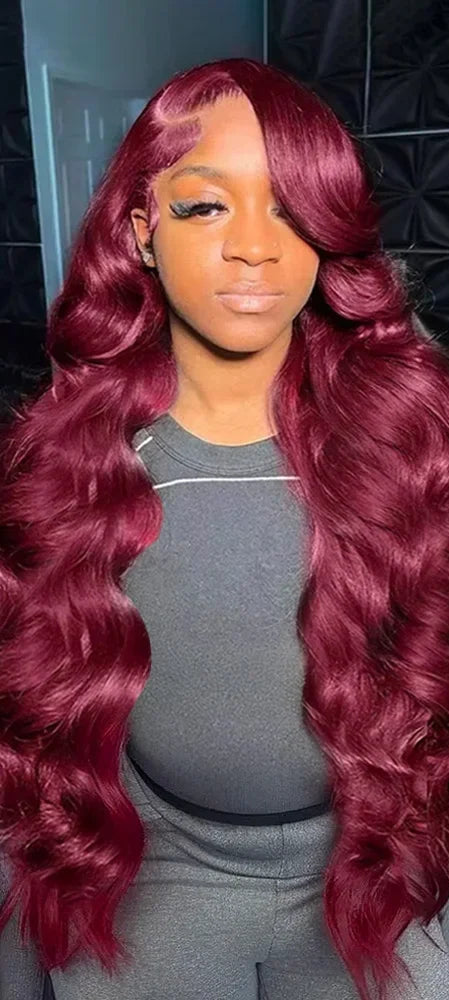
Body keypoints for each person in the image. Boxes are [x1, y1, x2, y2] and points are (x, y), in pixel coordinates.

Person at [0, 56, 449, 1000]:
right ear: (143, 230)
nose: (254, 248)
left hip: (372, 875)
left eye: (291, 210)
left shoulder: (414, 452)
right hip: (149, 876)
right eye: (206, 206)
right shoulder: (64, 470)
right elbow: (31, 758)